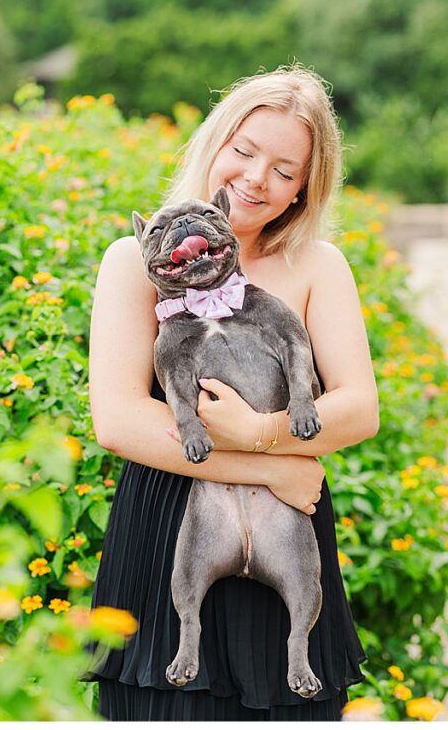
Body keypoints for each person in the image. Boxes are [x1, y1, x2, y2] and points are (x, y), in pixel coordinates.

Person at [86, 65, 379, 721]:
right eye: (244, 151)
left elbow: (359, 407)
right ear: (213, 144)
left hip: (284, 534)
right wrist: (272, 466)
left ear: (306, 185)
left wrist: (258, 430)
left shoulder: (317, 265)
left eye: (284, 168)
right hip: (166, 522)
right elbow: (120, 419)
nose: (255, 178)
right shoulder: (131, 261)